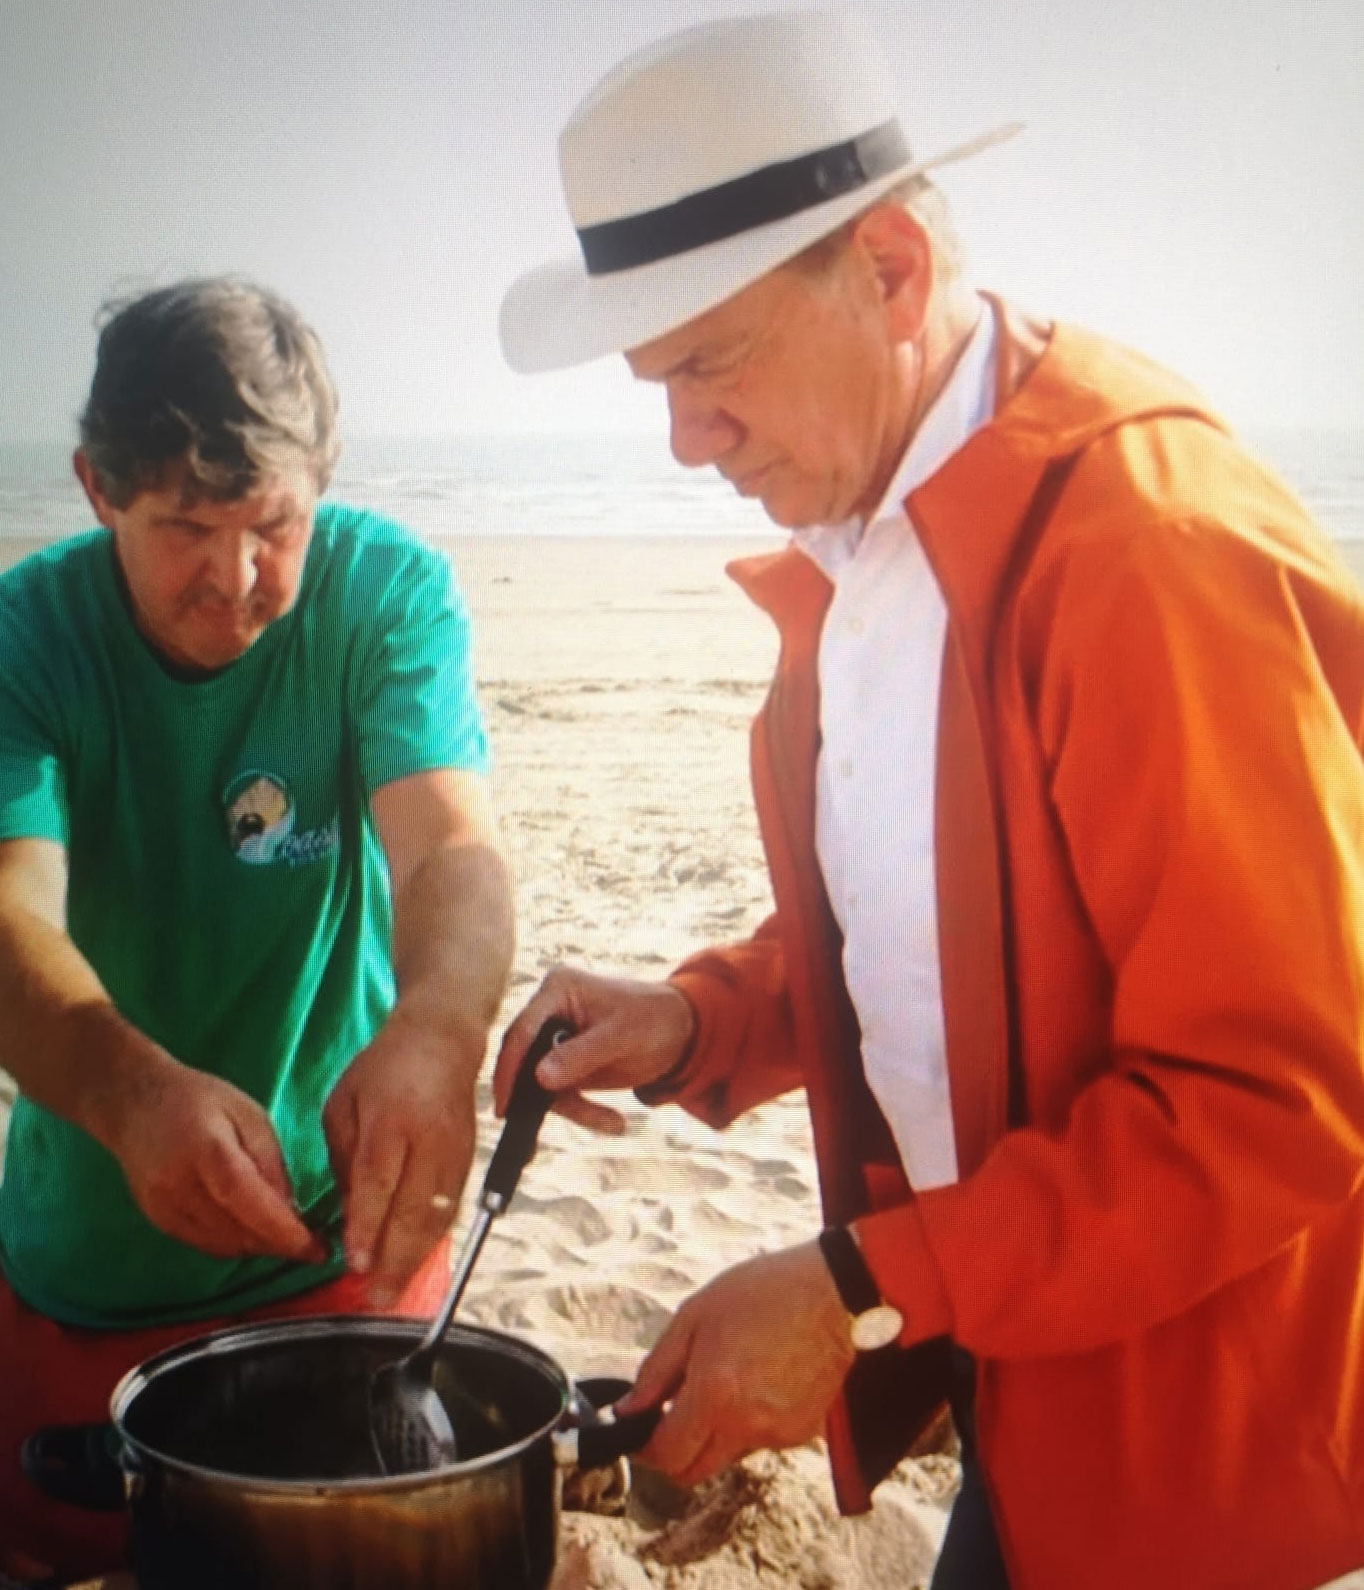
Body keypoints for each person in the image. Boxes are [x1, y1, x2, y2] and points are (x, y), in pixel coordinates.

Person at [494, 10, 1364, 1589]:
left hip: (1206, 1466)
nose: (684, 440)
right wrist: (709, 1016)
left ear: (890, 267)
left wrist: (858, 1288)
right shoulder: (881, 523)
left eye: (708, 361)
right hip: (1021, 1375)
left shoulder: (1146, 549)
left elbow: (1282, 1100)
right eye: (658, 381)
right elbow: (953, 909)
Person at [0, 277, 514, 1578]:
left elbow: (450, 841)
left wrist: (439, 1030)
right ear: (96, 484)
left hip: (348, 1243)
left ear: (323, 485)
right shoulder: (27, 637)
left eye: (274, 524)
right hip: (91, 1263)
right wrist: (130, 1095)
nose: (236, 580)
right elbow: (11, 913)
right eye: (186, 525)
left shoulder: (383, 594)